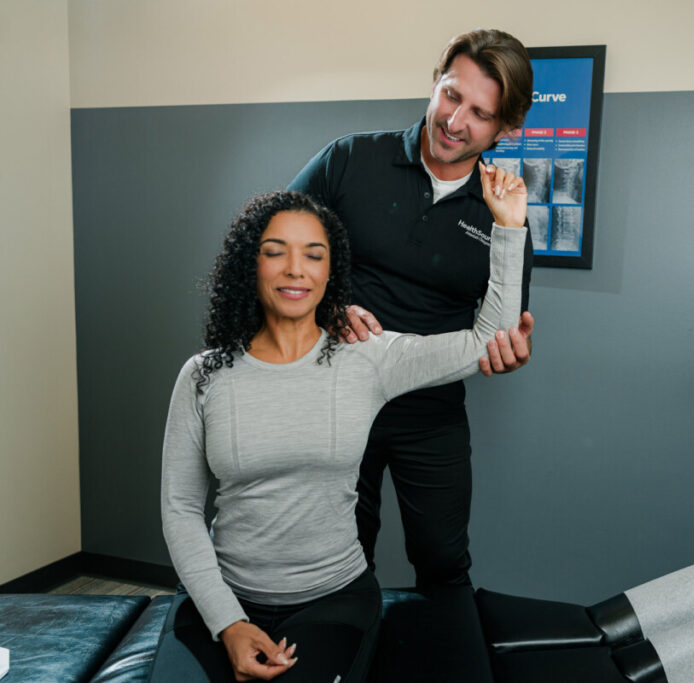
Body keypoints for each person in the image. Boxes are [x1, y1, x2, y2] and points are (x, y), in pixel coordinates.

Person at [153, 172, 527, 681]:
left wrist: (507, 227)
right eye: (275, 251)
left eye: (313, 254)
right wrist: (229, 622)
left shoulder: (367, 358)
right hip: (222, 594)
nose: (294, 269)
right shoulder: (203, 375)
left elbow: (488, 340)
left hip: (332, 600)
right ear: (250, 263)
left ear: (332, 271)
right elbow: (179, 508)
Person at [288, 28, 535, 589]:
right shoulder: (351, 159)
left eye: (479, 113)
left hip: (430, 412)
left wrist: (511, 348)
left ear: (505, 128)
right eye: (451, 95)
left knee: (444, 562)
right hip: (336, 396)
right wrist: (328, 309)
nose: (454, 121)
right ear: (435, 82)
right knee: (342, 561)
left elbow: (502, 326)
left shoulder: (504, 211)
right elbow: (272, 248)